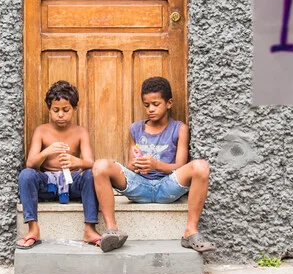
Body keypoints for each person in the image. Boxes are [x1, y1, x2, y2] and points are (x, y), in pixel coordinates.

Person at [92, 76, 214, 253]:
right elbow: (130, 164)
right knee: (100, 165)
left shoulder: (179, 128)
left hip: (168, 186)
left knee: (201, 166)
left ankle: (190, 231)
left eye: (156, 104)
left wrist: (156, 165)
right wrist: (136, 165)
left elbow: (180, 165)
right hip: (140, 186)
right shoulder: (135, 129)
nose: (150, 109)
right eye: (146, 105)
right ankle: (112, 231)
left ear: (169, 103)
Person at [16, 81, 100, 249]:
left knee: (91, 175)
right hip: (48, 184)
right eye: (56, 110)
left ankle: (90, 228)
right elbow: (31, 163)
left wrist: (78, 162)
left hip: (71, 182)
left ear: (75, 109)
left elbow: (90, 162)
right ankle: (33, 229)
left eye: (66, 110)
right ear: (49, 110)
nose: (60, 115)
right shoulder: (42, 131)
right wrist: (47, 152)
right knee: (26, 174)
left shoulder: (80, 132)